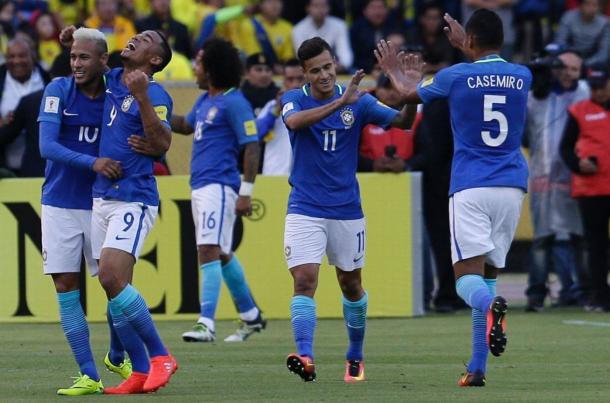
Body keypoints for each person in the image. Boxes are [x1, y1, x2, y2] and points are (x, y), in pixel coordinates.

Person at [376, 8, 532, 387]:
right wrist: (469, 46)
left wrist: (396, 70)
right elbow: (487, 69)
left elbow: (407, 94)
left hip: (471, 185)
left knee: (467, 281)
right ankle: (477, 368)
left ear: (470, 42)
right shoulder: (521, 75)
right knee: (488, 277)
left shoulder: (453, 76)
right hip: (512, 186)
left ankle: (491, 311)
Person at [280, 37, 417, 383]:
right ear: (304, 74)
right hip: (304, 207)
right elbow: (295, 123)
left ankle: (355, 354)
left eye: (328, 66)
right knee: (304, 281)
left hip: (346, 210)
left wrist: (411, 94)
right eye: (316, 71)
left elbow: (403, 122)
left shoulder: (361, 101)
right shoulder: (293, 99)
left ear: (334, 63)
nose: (324, 74)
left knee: (350, 284)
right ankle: (305, 355)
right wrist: (341, 102)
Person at [60, 25, 177, 394]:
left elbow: (161, 145)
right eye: (136, 35)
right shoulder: (111, 78)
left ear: (154, 59)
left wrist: (142, 97)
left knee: (111, 277)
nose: (136, 38)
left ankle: (160, 356)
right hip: (101, 197)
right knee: (114, 288)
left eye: (145, 40)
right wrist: (71, 42)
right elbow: (89, 62)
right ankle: (140, 372)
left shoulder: (155, 93)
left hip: (135, 196)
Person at [37, 27, 132, 396]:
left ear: (103, 61)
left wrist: (81, 34)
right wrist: (93, 162)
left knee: (116, 284)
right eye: (73, 56)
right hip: (59, 202)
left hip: (102, 203)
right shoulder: (58, 90)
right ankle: (89, 374)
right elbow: (47, 146)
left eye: (84, 57)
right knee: (65, 288)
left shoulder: (114, 87)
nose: (76, 63)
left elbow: (137, 54)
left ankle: (116, 353)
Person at [159, 37, 266, 342]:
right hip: (203, 185)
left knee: (208, 249)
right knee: (220, 252)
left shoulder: (234, 102)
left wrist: (246, 191)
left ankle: (206, 322)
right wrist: (152, 110)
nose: (194, 66)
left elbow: (252, 145)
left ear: (212, 67)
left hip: (220, 186)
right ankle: (250, 316)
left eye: (199, 61)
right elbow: (185, 125)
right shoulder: (206, 100)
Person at [523, 51, 589, 312]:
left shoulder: (584, 92)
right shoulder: (536, 97)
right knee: (542, 239)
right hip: (543, 175)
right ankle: (536, 294)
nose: (566, 73)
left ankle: (586, 291)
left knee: (578, 236)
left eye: (573, 69)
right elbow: (525, 135)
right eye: (562, 68)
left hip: (577, 175)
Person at [560, 63, 610, 313]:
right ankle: (601, 296)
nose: (597, 92)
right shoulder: (578, 111)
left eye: (601, 87)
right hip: (592, 190)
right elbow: (565, 148)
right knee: (596, 246)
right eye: (593, 88)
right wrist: (578, 165)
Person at [0, 37, 50, 175]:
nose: (16, 61)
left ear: (32, 56)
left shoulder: (48, 80)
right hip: (5, 167)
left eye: (22, 56)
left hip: (40, 167)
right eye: (11, 56)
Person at [256, 58, 306, 176]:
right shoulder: (271, 106)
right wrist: (276, 110)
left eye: (300, 78)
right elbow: (255, 135)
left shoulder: (316, 108)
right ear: (284, 81)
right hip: (274, 176)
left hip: (305, 179)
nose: (295, 84)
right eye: (290, 79)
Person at [291, 0, 353, 73]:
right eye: (316, 5)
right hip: (310, 69)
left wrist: (342, 65)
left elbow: (345, 52)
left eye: (324, 5)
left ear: (329, 8)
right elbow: (301, 56)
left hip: (336, 68)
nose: (320, 9)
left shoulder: (340, 25)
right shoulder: (298, 29)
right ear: (308, 8)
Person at [555, 0, 610, 66]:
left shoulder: (605, 23)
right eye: (587, 4)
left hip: (592, 62)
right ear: (580, 5)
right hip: (567, 58)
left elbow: (603, 53)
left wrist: (584, 64)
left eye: (595, 5)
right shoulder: (568, 17)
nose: (591, 8)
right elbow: (560, 42)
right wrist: (568, 59)